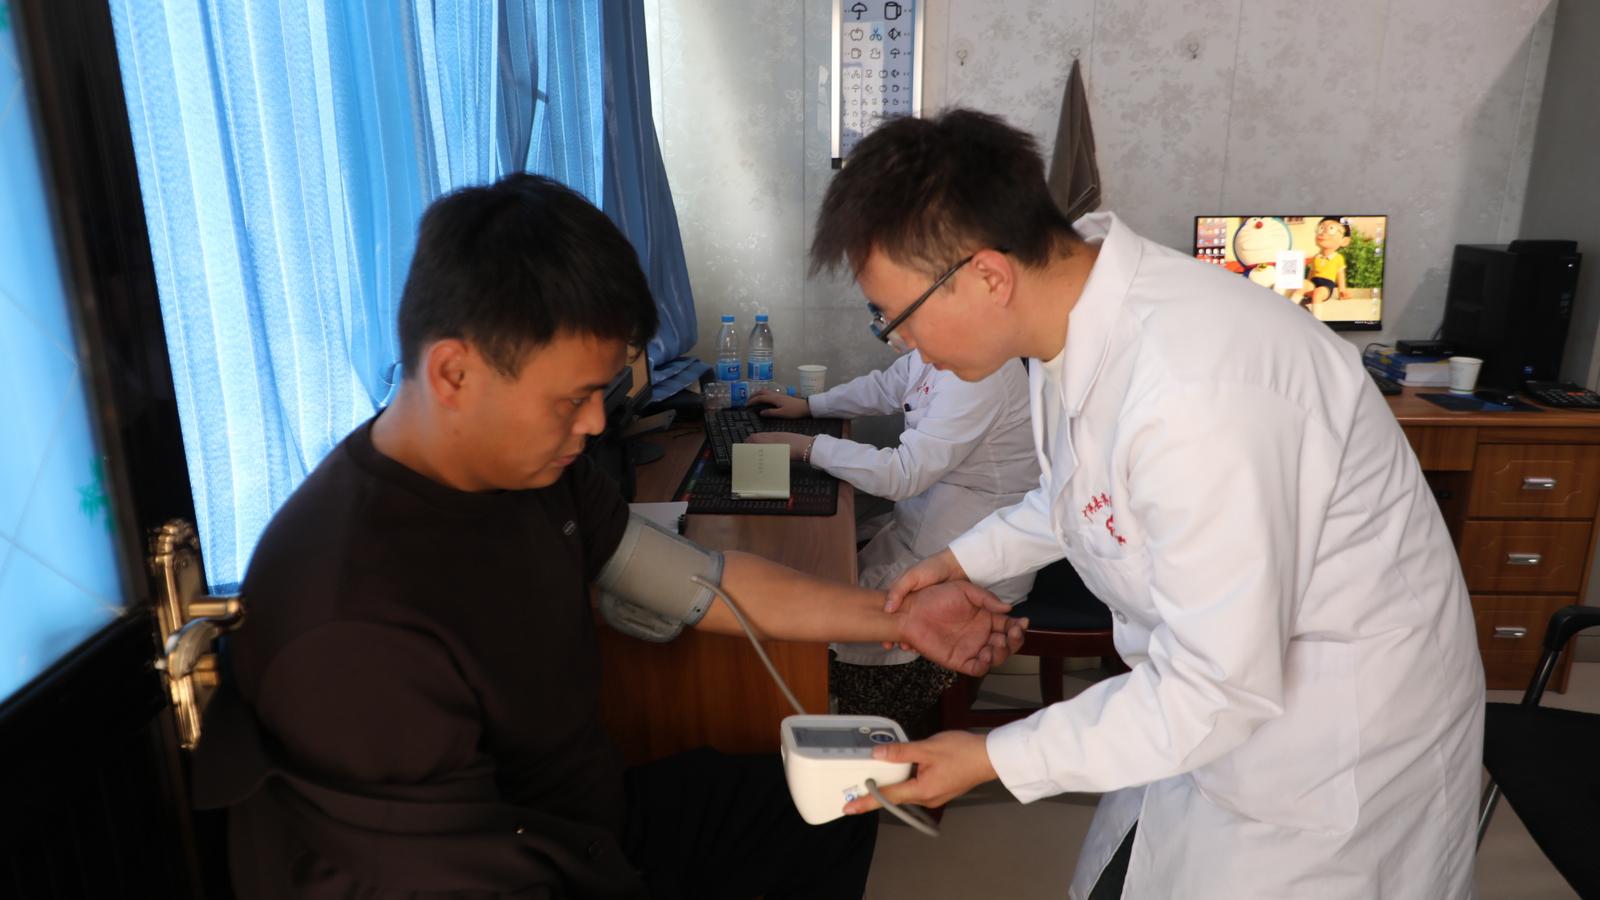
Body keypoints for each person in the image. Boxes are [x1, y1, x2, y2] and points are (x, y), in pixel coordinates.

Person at [191, 173, 1026, 900]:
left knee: (844, 810)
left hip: (587, 822)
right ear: (453, 372)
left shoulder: (530, 471)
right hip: (508, 869)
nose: (595, 423)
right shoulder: (352, 614)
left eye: (603, 392)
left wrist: (898, 617)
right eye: (573, 398)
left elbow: (697, 581)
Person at [813, 110, 1484, 899]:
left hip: (1327, 758)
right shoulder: (1079, 323)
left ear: (989, 276)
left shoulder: (1196, 391)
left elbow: (1218, 688)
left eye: (897, 319)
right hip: (1213, 713)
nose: (903, 344)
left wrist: (992, 756)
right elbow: (1086, 495)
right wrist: (963, 560)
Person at [747, 351, 1037, 735]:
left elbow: (902, 474)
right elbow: (888, 386)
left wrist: (808, 447)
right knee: (827, 586)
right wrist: (811, 405)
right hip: (926, 534)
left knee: (834, 630)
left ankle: (860, 735)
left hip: (969, 557)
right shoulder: (940, 347)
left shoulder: (982, 373)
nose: (892, 333)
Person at [1302, 216, 1352, 306]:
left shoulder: (1338, 258)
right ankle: (1290, 307)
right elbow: (1311, 272)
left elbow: (1340, 275)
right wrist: (1307, 283)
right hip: (1313, 283)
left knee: (1318, 293)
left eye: (1331, 229)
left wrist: (1342, 290)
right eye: (1321, 228)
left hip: (1326, 285)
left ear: (1344, 241)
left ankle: (1315, 314)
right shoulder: (1316, 257)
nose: (1323, 232)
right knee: (1301, 285)